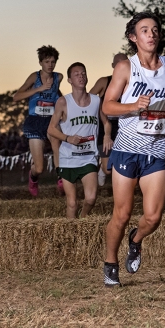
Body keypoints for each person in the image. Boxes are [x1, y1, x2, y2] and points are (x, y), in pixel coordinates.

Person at [101, 12, 165, 287]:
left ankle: (135, 240)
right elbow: (107, 106)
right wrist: (133, 106)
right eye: (144, 30)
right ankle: (110, 262)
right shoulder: (125, 68)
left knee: (153, 217)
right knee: (122, 213)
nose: (151, 34)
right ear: (133, 37)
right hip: (128, 149)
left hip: (157, 149)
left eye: (154, 30)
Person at [47, 62, 112, 219]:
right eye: (76, 74)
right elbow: (51, 129)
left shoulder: (96, 100)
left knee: (90, 198)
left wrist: (107, 135)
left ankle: (82, 220)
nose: (81, 76)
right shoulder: (63, 102)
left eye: (83, 73)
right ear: (69, 80)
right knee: (72, 203)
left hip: (88, 157)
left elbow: (106, 122)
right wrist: (68, 138)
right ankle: (71, 234)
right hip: (68, 158)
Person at [13, 45, 64, 197]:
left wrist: (63, 105)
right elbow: (16, 97)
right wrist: (39, 89)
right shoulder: (34, 77)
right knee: (39, 168)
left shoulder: (58, 77)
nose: (50, 65)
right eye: (47, 61)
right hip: (35, 121)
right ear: (40, 62)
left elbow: (57, 93)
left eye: (53, 62)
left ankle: (61, 177)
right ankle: (33, 177)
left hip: (51, 120)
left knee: (56, 141)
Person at [89, 53, 129, 186]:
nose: (122, 66)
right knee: (107, 169)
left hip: (124, 125)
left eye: (125, 62)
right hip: (104, 125)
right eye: (118, 64)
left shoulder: (132, 84)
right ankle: (102, 169)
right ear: (113, 66)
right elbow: (88, 99)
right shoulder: (104, 81)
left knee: (124, 162)